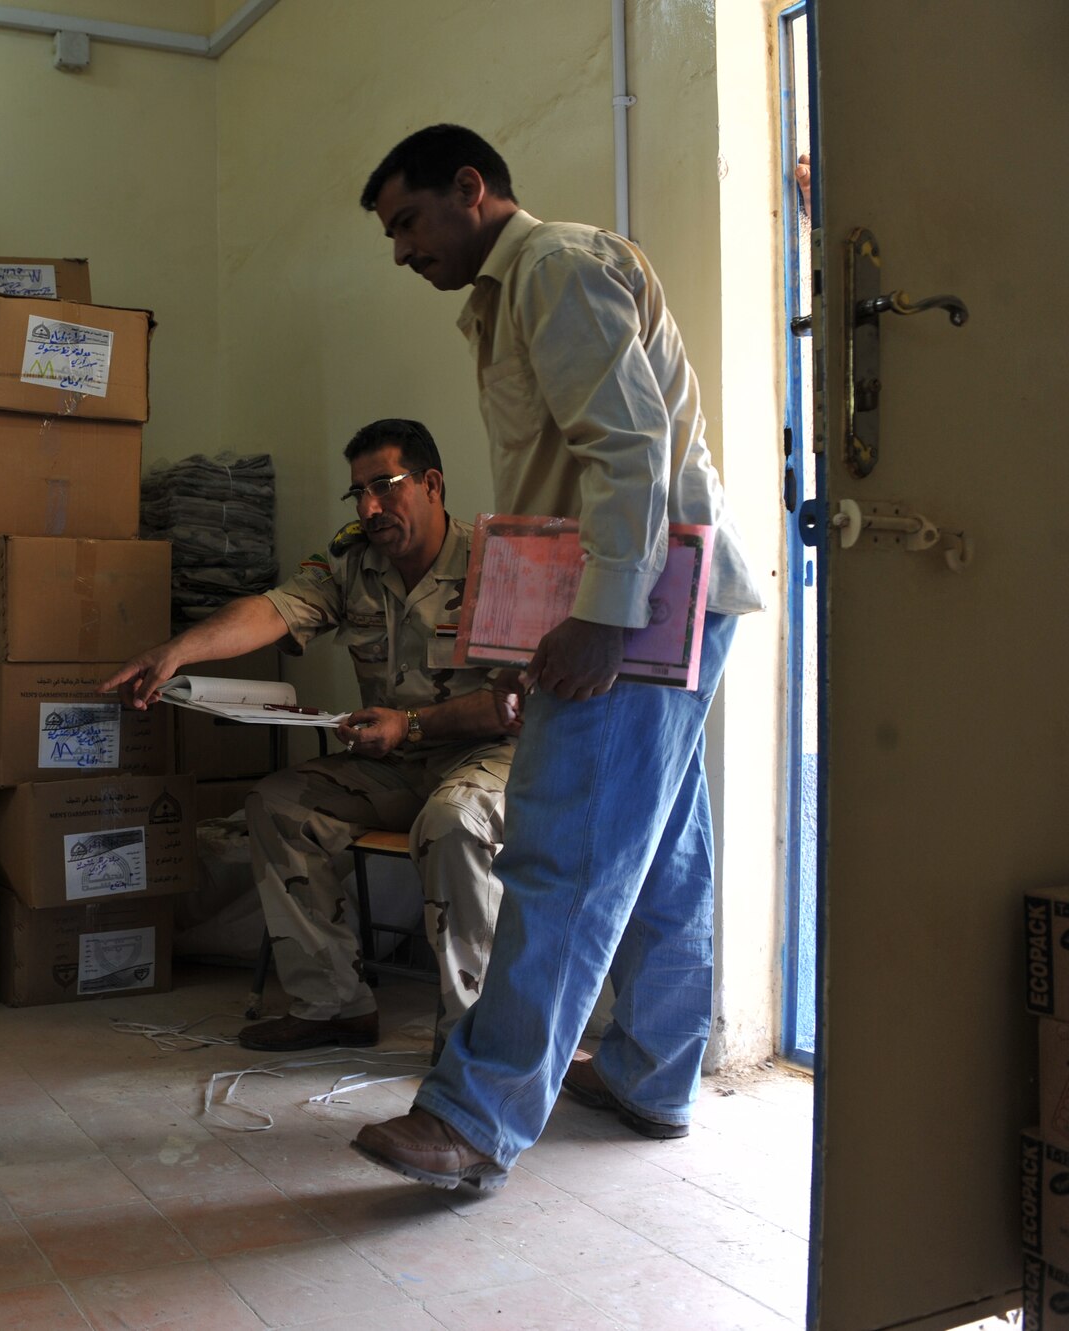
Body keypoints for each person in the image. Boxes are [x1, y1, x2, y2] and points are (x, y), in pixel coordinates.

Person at [347, 125, 766, 1190]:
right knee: (662, 855)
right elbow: (573, 470)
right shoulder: (515, 290)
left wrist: (602, 615)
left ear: (470, 188)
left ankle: (474, 1117)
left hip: (636, 601)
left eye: (408, 221)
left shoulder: (553, 267)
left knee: (560, 854)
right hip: (666, 594)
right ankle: (649, 1074)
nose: (401, 250)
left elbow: (626, 446)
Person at [103, 418, 520, 1055]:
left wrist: (410, 723)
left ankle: (477, 1040)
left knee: (454, 820)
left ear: (432, 485)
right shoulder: (354, 564)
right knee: (278, 806)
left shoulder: (498, 565)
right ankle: (333, 1006)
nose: (369, 508)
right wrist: (177, 652)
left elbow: (513, 705)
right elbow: (272, 610)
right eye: (358, 493)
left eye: (385, 486)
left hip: (485, 759)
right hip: (395, 762)